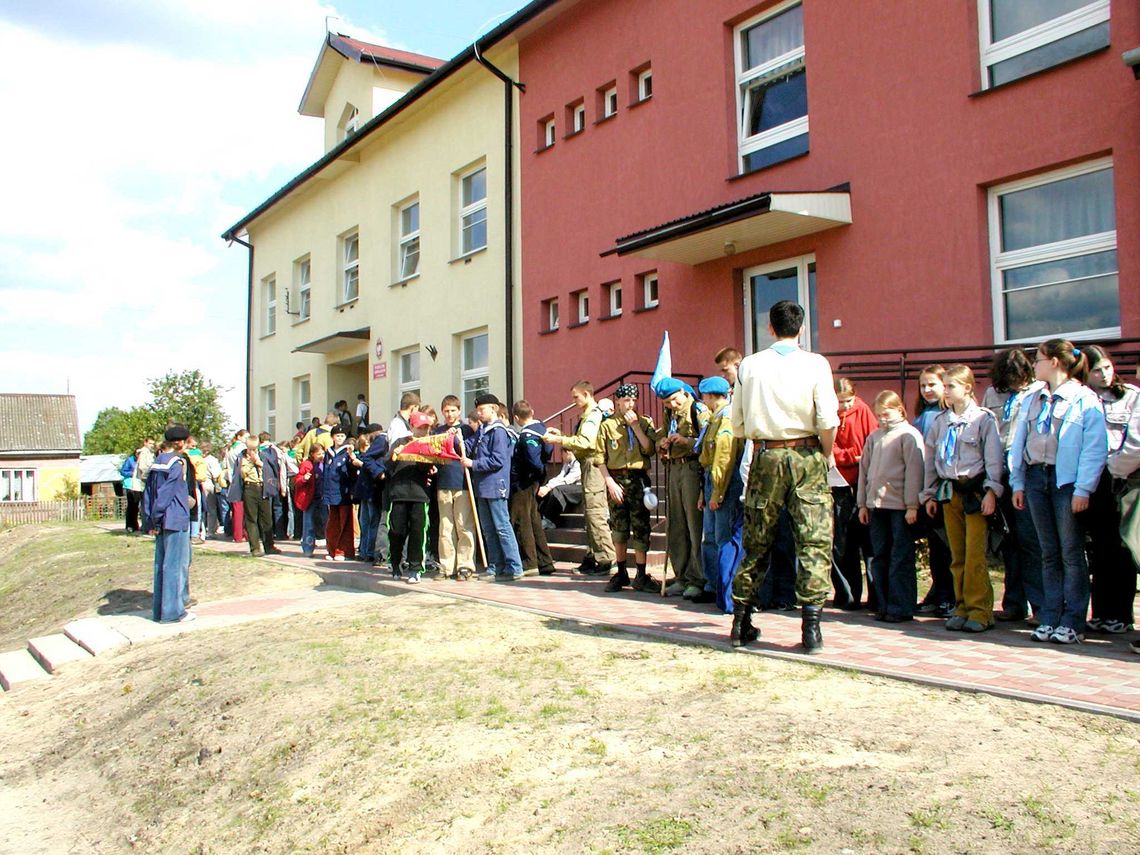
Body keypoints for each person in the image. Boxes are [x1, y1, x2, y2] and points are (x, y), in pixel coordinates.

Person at [730, 300, 838, 653]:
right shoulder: (816, 363)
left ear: (770, 329)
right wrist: (823, 453)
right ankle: (811, 628)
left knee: (757, 539)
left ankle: (741, 620)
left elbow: (738, 422)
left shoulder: (750, 364)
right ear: (802, 328)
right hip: (807, 452)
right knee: (814, 539)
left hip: (766, 452)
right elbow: (827, 419)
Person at [1011, 339, 1107, 645]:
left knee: (1070, 552)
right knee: (1047, 552)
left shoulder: (1084, 399)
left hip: (1065, 482)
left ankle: (1073, 620)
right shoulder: (1033, 398)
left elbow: (1094, 449)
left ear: (1054, 362)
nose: (1034, 366)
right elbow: (1019, 442)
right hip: (1036, 476)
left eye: (1038, 360)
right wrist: (1018, 481)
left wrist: (1083, 488)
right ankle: (1050, 616)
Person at [920, 365, 1004, 633]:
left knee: (974, 555)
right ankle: (962, 606)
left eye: (950, 386)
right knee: (956, 554)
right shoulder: (940, 421)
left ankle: (980, 611)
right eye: (944, 386)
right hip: (949, 491)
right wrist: (930, 493)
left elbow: (993, 459)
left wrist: (992, 491)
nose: (945, 391)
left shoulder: (983, 420)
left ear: (967, 388)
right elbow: (931, 460)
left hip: (975, 492)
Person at [982, 348, 1045, 623]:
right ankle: (1013, 603)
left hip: (1025, 470)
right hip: (1000, 472)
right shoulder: (992, 394)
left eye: (1019, 377)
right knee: (1008, 540)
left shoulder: (1037, 392)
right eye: (1010, 378)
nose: (1015, 383)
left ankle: (1039, 604)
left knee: (1030, 540)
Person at [1084, 345, 1138, 634]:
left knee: (1122, 547)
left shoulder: (1130, 395)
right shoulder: (1084, 398)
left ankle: (1122, 614)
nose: (1104, 374)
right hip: (1095, 479)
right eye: (1096, 369)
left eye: (1106, 367)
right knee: (1100, 548)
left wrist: (1119, 467)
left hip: (1123, 477)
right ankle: (1102, 611)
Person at [858, 391, 924, 622]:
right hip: (877, 506)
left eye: (886, 413)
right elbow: (864, 472)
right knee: (880, 556)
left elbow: (914, 473)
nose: (882, 419)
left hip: (900, 507)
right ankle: (883, 604)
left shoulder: (908, 435)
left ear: (899, 410)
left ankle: (901, 606)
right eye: (878, 415)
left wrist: (912, 506)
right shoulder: (874, 438)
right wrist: (863, 504)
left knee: (901, 556)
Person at [543, 381, 616, 577]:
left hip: (593, 466)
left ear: (586, 394)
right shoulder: (587, 415)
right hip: (587, 466)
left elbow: (586, 442)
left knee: (596, 513)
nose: (573, 401)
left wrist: (559, 440)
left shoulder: (593, 415)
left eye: (576, 397)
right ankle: (593, 556)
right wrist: (564, 436)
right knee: (589, 515)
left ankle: (606, 559)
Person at [598, 384, 659, 592]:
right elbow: (600, 457)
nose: (630, 404)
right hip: (616, 479)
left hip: (638, 479)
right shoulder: (607, 425)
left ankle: (641, 574)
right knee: (619, 527)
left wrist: (635, 428)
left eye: (633, 400)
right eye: (626, 401)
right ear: (618, 401)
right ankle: (621, 572)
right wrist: (609, 482)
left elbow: (650, 449)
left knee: (641, 526)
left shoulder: (644, 422)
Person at [656, 378, 711, 598]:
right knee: (676, 524)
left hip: (692, 468)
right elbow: (663, 433)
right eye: (667, 403)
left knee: (693, 525)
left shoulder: (698, 409)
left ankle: (697, 578)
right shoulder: (669, 413)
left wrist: (686, 441)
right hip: (673, 468)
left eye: (674, 400)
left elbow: (706, 441)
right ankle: (681, 575)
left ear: (682, 391)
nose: (672, 405)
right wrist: (663, 442)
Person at [697, 376, 745, 610]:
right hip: (710, 480)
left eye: (704, 395)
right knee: (710, 537)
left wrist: (717, 493)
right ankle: (713, 586)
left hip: (723, 483)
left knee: (723, 537)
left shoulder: (726, 419)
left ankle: (726, 592)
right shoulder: (715, 418)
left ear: (710, 396)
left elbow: (724, 459)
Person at [465, 392, 524, 580]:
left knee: (501, 526)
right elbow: (468, 446)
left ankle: (514, 566)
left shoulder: (498, 431)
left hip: (495, 484)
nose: (479, 413)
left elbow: (497, 460)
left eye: (482, 409)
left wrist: (473, 464)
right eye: (478, 410)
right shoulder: (483, 430)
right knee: (488, 528)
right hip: (482, 485)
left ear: (494, 409)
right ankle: (495, 565)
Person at [830, 377, 876, 610]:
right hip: (839, 483)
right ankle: (847, 595)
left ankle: (876, 595)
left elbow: (872, 441)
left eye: (848, 401)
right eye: (840, 402)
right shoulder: (829, 414)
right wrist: (849, 456)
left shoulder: (863, 411)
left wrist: (861, 458)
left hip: (863, 481)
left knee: (869, 543)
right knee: (842, 544)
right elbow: (829, 448)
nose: (844, 406)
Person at [912, 365, 954, 617]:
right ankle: (939, 592)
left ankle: (949, 595)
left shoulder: (942, 416)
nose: (927, 390)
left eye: (932, 385)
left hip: (943, 489)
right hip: (926, 490)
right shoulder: (922, 416)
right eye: (923, 386)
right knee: (936, 548)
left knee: (947, 547)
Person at [142, 425, 195, 623]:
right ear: (181, 442)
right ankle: (174, 612)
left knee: (161, 566)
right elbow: (167, 493)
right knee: (176, 565)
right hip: (175, 517)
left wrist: (151, 519)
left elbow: (149, 493)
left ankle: (160, 610)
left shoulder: (158, 462)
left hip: (161, 520)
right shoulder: (177, 463)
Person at [387, 412, 436, 582]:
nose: (423, 431)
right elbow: (388, 465)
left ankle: (415, 568)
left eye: (426, 428)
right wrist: (396, 454)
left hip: (419, 495)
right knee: (396, 531)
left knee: (418, 532)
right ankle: (395, 564)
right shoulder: (400, 442)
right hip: (398, 494)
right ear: (412, 427)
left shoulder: (428, 444)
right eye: (420, 427)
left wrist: (425, 455)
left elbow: (428, 468)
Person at [510, 400, 556, 577]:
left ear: (516, 417)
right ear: (532, 411)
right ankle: (545, 561)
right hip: (535, 480)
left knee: (522, 521)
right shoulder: (542, 428)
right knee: (534, 520)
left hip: (524, 482)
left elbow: (532, 460)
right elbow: (549, 449)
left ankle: (530, 563)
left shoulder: (527, 435)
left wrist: (536, 472)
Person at [433, 396, 476, 580]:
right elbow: (434, 453)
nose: (449, 414)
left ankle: (465, 565)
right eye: (446, 411)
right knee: (445, 527)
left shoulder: (466, 430)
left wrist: (458, 439)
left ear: (459, 411)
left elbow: (471, 450)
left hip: (462, 483)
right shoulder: (438, 431)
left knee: (463, 526)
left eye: (453, 410)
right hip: (443, 482)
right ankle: (446, 565)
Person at [227, 432, 283, 556]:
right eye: (250, 448)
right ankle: (255, 548)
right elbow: (240, 474)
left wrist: (259, 463)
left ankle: (269, 545)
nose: (252, 451)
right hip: (249, 488)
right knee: (251, 519)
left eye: (254, 448)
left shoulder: (264, 456)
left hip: (262, 488)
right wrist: (250, 463)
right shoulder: (242, 457)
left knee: (266, 519)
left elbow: (270, 470)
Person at [323, 423, 363, 561]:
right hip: (330, 490)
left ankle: (343, 551)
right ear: (333, 437)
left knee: (345, 522)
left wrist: (352, 457)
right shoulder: (328, 453)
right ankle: (332, 550)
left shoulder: (347, 452)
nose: (340, 438)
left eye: (342, 436)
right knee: (332, 522)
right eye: (337, 436)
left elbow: (353, 472)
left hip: (343, 491)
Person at [359, 423, 390, 567]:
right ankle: (372, 553)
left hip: (372, 487)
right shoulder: (382, 440)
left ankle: (368, 552)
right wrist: (380, 473)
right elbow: (368, 458)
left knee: (370, 521)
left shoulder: (381, 439)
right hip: (375, 487)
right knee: (375, 520)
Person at [295, 445, 325, 557]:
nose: (321, 456)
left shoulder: (324, 464)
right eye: (318, 454)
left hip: (322, 498)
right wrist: (304, 479)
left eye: (322, 453)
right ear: (312, 454)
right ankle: (308, 548)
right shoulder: (306, 465)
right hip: (310, 499)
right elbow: (297, 480)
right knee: (309, 525)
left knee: (325, 522)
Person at [538, 454, 582, 529]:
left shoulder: (578, 463)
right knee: (554, 490)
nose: (561, 457)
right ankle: (545, 518)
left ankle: (550, 519)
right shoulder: (567, 464)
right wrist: (548, 486)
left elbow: (568, 480)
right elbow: (560, 477)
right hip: (570, 488)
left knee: (559, 489)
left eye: (562, 454)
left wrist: (549, 487)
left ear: (568, 453)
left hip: (580, 489)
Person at [223, 429, 249, 541]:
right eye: (245, 437)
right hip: (239, 478)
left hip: (231, 478)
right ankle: (240, 534)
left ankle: (237, 533)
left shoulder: (230, 448)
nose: (246, 440)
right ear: (239, 437)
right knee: (240, 508)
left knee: (235, 508)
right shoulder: (241, 448)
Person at [135, 437, 156, 530]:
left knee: (148, 503)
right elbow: (142, 466)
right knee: (146, 503)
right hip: (145, 479)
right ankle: (147, 526)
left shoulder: (150, 452)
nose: (152, 445)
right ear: (145, 443)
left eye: (153, 444)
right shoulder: (144, 452)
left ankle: (147, 525)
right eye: (150, 443)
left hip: (148, 479)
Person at [120, 447, 141, 532]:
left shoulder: (142, 461)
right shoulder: (130, 460)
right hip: (129, 485)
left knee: (136, 505)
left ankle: (135, 524)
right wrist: (132, 473)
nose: (139, 455)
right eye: (137, 453)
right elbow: (123, 471)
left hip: (138, 485)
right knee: (131, 505)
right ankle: (129, 525)